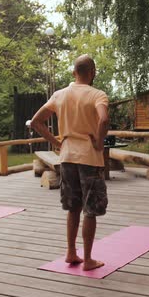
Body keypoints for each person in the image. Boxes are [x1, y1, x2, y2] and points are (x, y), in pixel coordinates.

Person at [31, 54, 109, 271]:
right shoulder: (97, 95)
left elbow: (36, 122)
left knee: (72, 207)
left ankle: (71, 252)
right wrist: (100, 142)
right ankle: (89, 259)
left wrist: (56, 142)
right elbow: (103, 119)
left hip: (66, 157)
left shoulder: (59, 95)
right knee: (90, 209)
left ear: (74, 73)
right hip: (89, 158)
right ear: (92, 73)